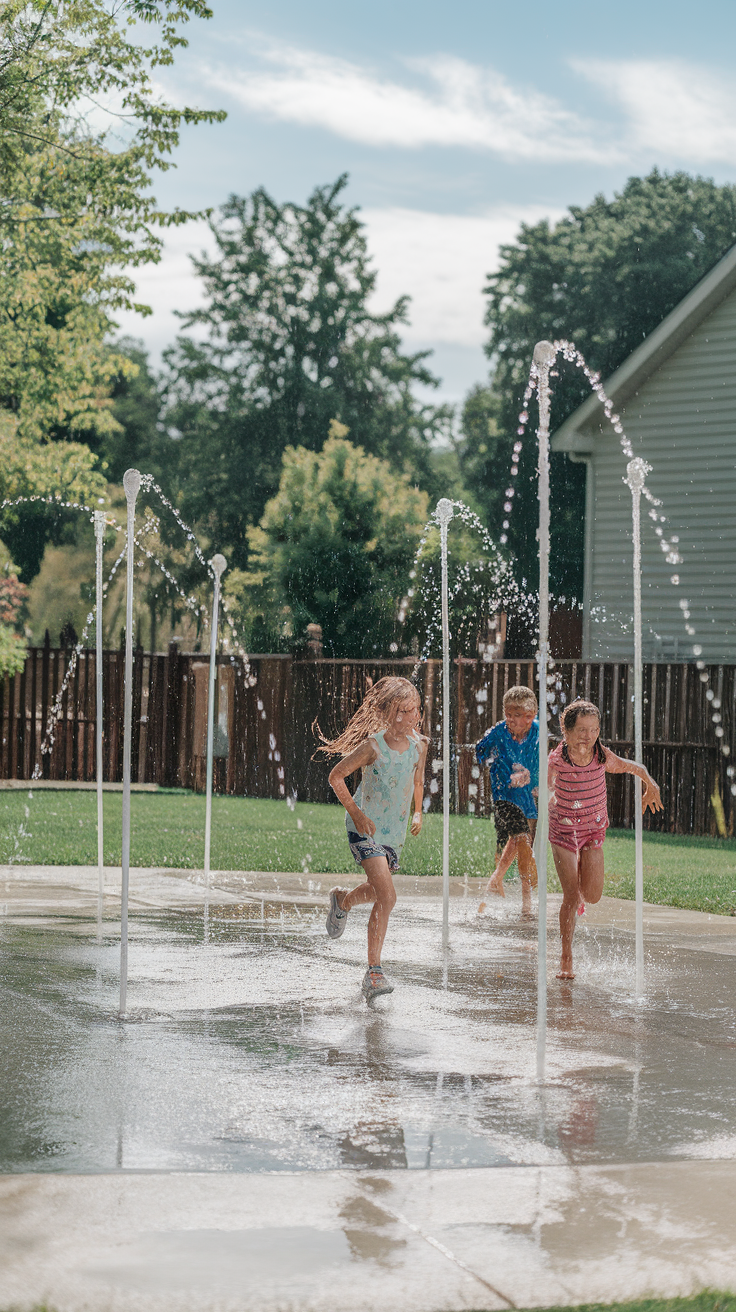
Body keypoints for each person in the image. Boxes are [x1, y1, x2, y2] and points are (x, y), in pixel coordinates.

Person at [315, 676, 429, 1003]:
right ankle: (373, 972)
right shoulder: (373, 747)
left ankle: (343, 901)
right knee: (388, 896)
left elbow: (418, 780)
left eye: (417, 710)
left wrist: (418, 813)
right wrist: (358, 813)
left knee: (379, 890)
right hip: (364, 827)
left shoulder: (419, 745)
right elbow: (335, 776)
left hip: (394, 832)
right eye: (406, 711)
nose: (414, 717)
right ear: (389, 713)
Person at [549, 698, 663, 980]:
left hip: (592, 831)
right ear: (566, 730)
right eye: (581, 730)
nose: (588, 736)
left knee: (593, 895)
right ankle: (566, 956)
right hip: (563, 831)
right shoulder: (557, 760)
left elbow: (635, 767)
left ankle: (580, 897)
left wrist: (652, 784)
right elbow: (543, 786)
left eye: (594, 730)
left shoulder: (602, 756)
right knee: (571, 896)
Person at [475, 685, 539, 915]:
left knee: (520, 843)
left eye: (515, 715)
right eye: (507, 713)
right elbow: (480, 751)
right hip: (504, 795)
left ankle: (496, 881)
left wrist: (534, 778)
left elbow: (543, 762)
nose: (509, 719)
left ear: (530, 717)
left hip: (529, 796)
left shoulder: (538, 733)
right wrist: (496, 761)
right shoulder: (499, 732)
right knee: (522, 840)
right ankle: (527, 906)